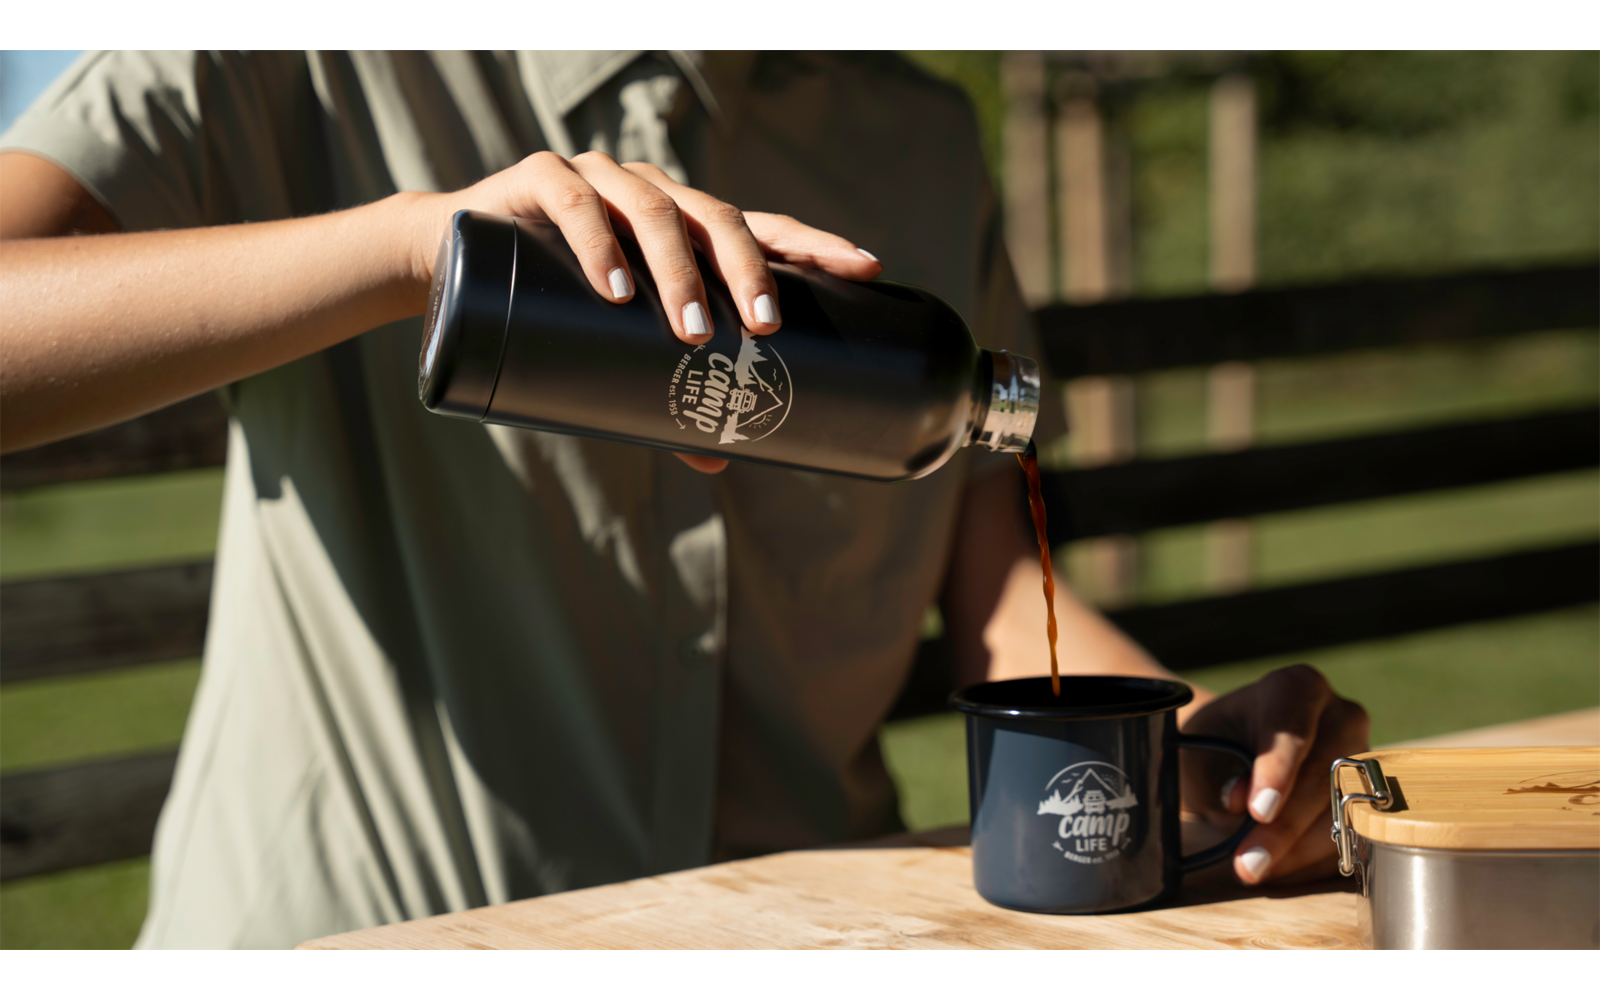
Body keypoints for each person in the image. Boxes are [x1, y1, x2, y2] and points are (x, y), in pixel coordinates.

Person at [0, 51, 1368, 948]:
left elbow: (1004, 590)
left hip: (805, 936)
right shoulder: (287, 56)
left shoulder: (918, 137)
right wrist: (420, 248)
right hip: (366, 941)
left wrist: (1208, 753)